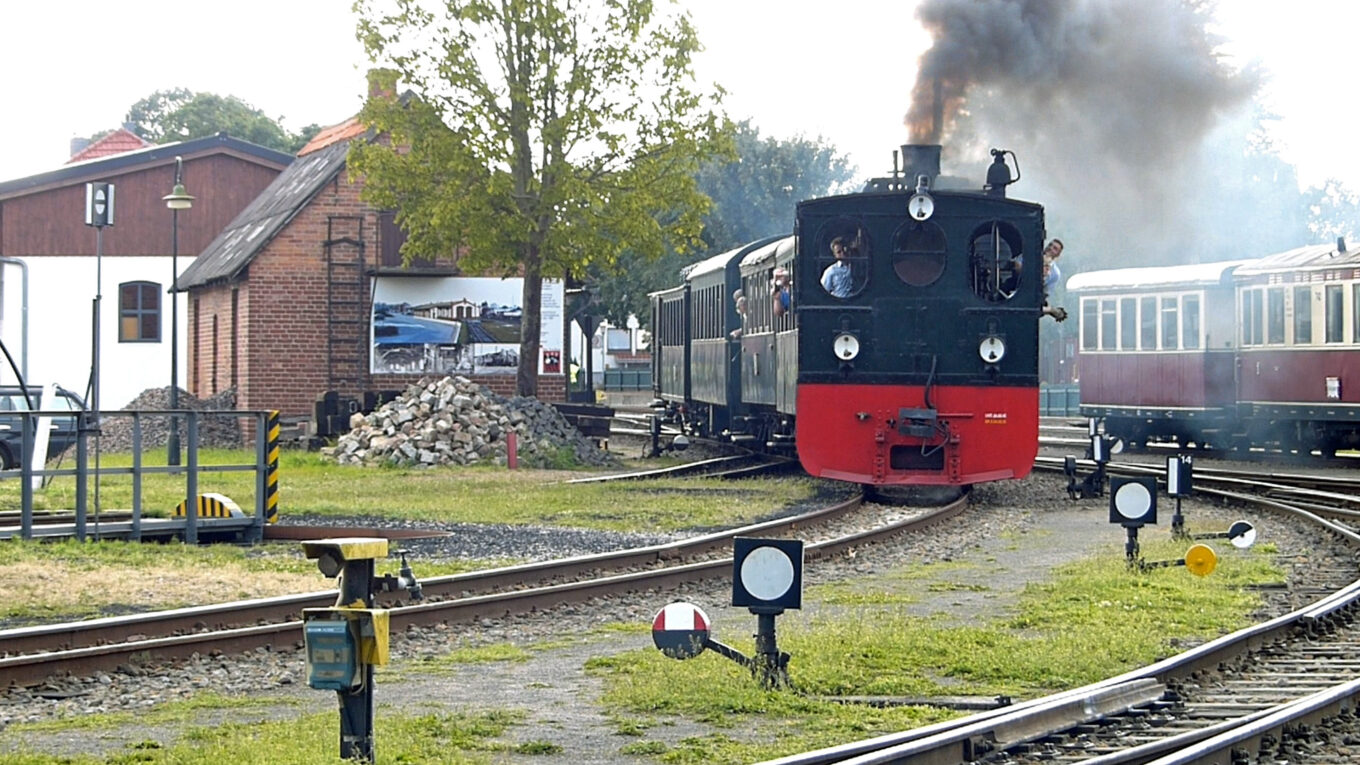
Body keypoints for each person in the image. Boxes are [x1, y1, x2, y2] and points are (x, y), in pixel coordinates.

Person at [1041, 238, 1067, 321]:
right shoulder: (1031, 256)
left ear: (1057, 255)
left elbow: (1045, 293)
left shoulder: (1055, 274)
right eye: (1050, 245)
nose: (1051, 248)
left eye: (1055, 248)